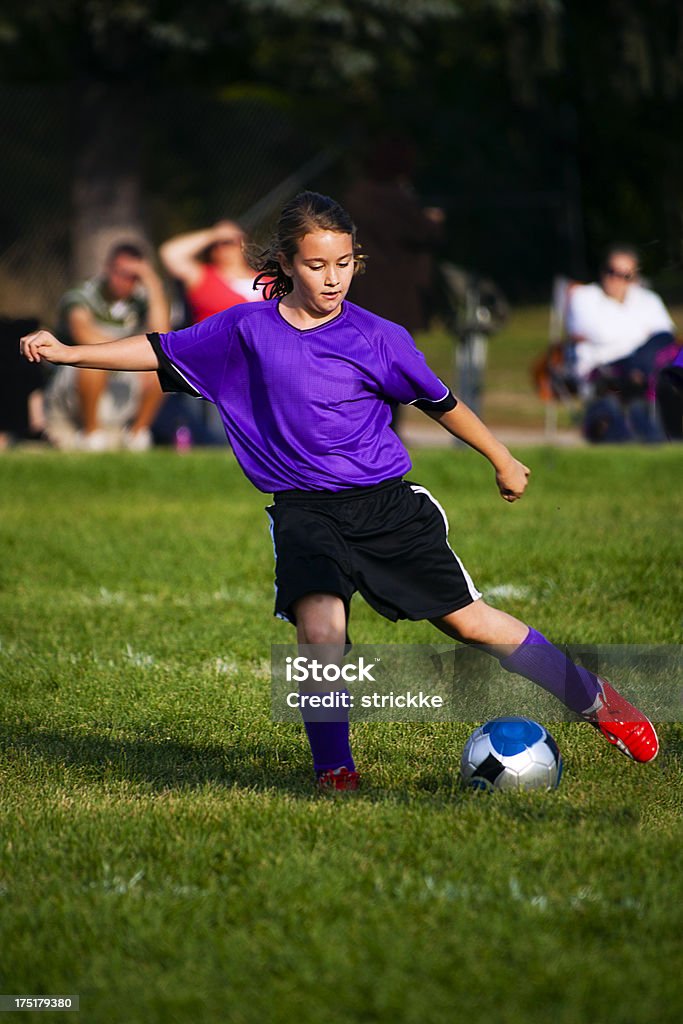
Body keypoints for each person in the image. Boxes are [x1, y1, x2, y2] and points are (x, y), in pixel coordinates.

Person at [21, 192, 659, 790]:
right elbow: (159, 351)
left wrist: (502, 457)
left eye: (344, 264)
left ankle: (597, 701)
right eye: (317, 264)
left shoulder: (378, 338)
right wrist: (71, 352)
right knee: (320, 630)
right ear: (287, 265)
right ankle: (335, 770)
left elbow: (442, 401)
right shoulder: (246, 330)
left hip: (385, 506)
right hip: (303, 510)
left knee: (473, 625)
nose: (332, 278)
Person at [50, 242, 169, 451]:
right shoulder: (84, 294)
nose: (123, 280)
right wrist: (125, 355)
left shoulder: (140, 300)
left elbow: (163, 338)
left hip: (120, 377)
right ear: (107, 269)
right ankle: (91, 435)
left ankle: (136, 435)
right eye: (119, 272)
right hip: (73, 378)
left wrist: (151, 281)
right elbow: (82, 332)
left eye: (132, 275)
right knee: (95, 363)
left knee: (162, 366)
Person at [159, 220, 262, 324]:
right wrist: (214, 234)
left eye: (228, 242)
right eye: (216, 244)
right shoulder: (203, 277)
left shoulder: (267, 280)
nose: (222, 248)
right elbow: (170, 253)